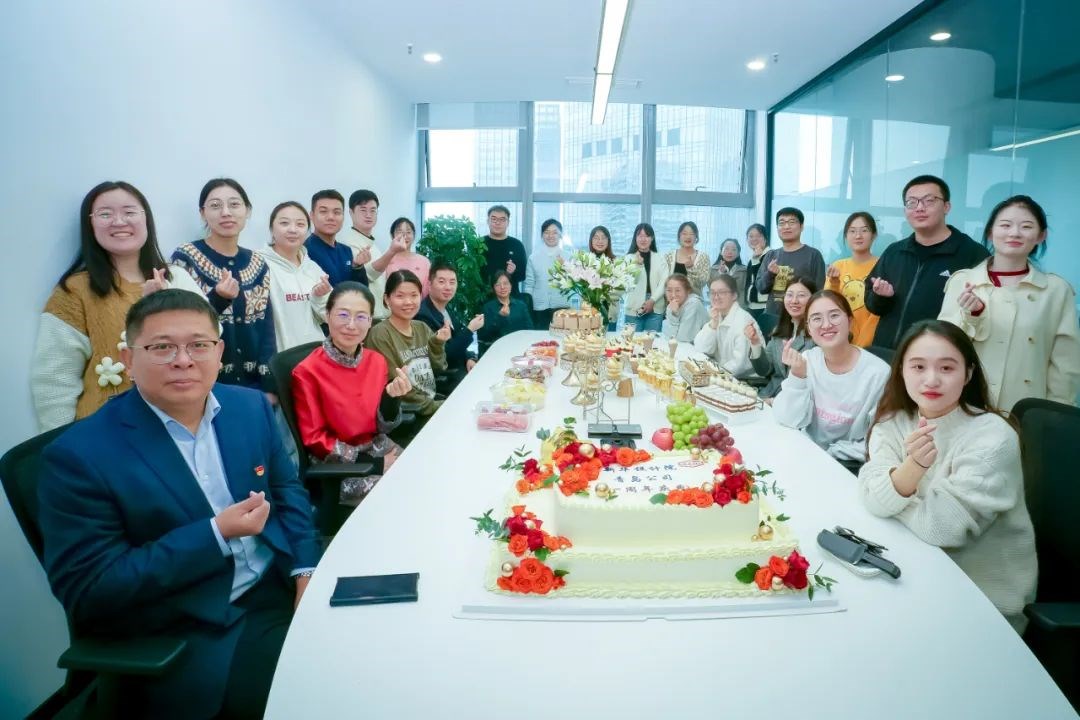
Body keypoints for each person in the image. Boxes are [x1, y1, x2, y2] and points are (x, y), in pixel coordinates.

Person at [38, 289, 320, 719]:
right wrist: (215, 534)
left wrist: (305, 569)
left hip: (277, 583)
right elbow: (91, 589)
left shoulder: (248, 407)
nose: (183, 360)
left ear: (219, 352)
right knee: (316, 695)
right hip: (190, 623)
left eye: (198, 345)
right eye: (161, 347)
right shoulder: (78, 455)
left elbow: (287, 491)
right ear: (129, 359)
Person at [858, 319, 1036, 632]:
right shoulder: (893, 423)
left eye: (947, 368)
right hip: (913, 573)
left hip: (980, 602)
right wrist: (914, 467)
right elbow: (872, 499)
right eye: (918, 366)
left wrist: (893, 492)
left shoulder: (993, 438)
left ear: (968, 374)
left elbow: (940, 528)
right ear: (901, 371)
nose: (931, 379)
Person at [32, 180, 205, 431]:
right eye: (105, 214)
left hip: (180, 423)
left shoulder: (177, 277)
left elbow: (208, 341)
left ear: (146, 219)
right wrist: (62, 443)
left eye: (129, 212)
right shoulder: (74, 291)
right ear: (90, 225)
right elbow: (54, 381)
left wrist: (164, 305)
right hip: (105, 432)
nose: (119, 221)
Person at [939, 195, 1080, 411]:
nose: (1014, 233)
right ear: (990, 232)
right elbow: (943, 347)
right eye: (1005, 225)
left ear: (1041, 235)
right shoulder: (963, 281)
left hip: (1028, 407)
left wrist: (1056, 412)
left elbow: (1065, 362)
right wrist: (973, 315)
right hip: (967, 402)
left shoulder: (1056, 290)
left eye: (1026, 226)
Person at [291, 282, 412, 504]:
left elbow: (382, 427)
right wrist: (375, 464)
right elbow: (315, 439)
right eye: (343, 315)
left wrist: (391, 398)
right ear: (327, 315)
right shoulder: (307, 371)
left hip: (378, 446)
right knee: (401, 495)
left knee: (422, 473)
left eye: (361, 317)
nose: (351, 325)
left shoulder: (376, 361)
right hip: (338, 465)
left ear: (371, 321)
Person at [171, 178, 277, 398]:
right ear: (203, 213)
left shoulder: (258, 263)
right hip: (202, 384)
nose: (226, 212)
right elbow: (178, 322)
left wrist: (269, 385)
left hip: (253, 386)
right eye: (215, 206)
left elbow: (266, 327)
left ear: (247, 211)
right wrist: (218, 298)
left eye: (234, 204)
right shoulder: (186, 258)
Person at [864, 175, 989, 349]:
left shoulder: (972, 254)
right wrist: (881, 297)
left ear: (946, 207)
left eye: (929, 201)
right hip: (887, 353)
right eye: (912, 202)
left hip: (939, 356)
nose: (919, 208)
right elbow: (872, 305)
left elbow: (985, 315)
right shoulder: (895, 252)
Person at [773, 290, 890, 464]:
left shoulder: (878, 373)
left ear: (849, 321)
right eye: (816, 318)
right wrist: (798, 377)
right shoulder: (808, 360)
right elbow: (787, 419)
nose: (826, 325)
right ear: (809, 329)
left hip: (846, 464)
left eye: (834, 315)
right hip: (804, 453)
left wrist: (832, 453)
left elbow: (881, 439)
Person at [365, 270, 448, 426]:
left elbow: (439, 368)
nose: (408, 302)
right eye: (400, 296)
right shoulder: (380, 334)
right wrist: (438, 407)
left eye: (414, 295)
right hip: (410, 416)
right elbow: (397, 386)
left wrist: (437, 344)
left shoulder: (421, 327)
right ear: (387, 299)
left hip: (431, 404)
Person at [255, 202, 330, 352]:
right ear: (272, 229)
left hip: (315, 354)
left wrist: (320, 297)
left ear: (307, 231)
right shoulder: (257, 264)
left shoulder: (312, 268)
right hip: (278, 357)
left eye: (300, 224)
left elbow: (329, 317)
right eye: (284, 223)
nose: (293, 229)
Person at [417, 262, 484, 392]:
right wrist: (470, 329)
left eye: (452, 282)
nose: (448, 287)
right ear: (429, 285)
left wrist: (469, 358)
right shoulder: (423, 315)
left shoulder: (447, 310)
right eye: (442, 282)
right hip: (442, 379)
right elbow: (445, 357)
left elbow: (458, 341)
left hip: (458, 370)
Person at [746, 277, 817, 399]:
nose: (794, 301)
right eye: (789, 295)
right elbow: (764, 370)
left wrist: (774, 402)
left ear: (813, 300)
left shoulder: (817, 336)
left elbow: (811, 386)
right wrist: (755, 343)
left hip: (795, 401)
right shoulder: (779, 330)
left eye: (801, 295)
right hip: (767, 395)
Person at [755, 207, 826, 320]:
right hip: (773, 317)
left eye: (792, 222)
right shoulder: (771, 255)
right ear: (777, 228)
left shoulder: (813, 255)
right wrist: (770, 274)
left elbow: (819, 291)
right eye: (781, 223)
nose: (786, 226)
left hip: (801, 318)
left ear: (801, 226)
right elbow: (761, 288)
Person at [826, 212, 880, 348]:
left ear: (874, 235)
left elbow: (878, 312)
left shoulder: (882, 265)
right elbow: (827, 304)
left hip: (870, 343)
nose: (858, 236)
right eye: (852, 231)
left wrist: (862, 344)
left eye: (864, 230)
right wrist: (834, 283)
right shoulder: (838, 266)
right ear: (846, 236)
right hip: (839, 340)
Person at [693, 275, 760, 377]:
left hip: (743, 379)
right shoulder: (718, 315)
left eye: (722, 292)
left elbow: (739, 365)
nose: (716, 297)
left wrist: (713, 374)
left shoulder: (743, 322)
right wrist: (713, 325)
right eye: (712, 293)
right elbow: (701, 348)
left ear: (734, 295)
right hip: (721, 371)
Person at [303, 189, 367, 287]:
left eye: (337, 212)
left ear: (343, 216)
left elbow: (360, 289)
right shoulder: (304, 251)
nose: (331, 217)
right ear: (311, 215)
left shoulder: (346, 251)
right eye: (323, 211)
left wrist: (357, 267)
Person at [340, 189, 386, 319]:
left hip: (380, 314)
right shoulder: (346, 244)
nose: (368, 215)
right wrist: (392, 252)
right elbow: (367, 275)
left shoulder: (374, 246)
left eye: (373, 210)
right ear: (351, 213)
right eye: (363, 210)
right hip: (364, 316)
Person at [524, 218, 570, 328]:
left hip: (562, 306)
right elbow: (529, 285)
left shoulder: (568, 256)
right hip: (539, 308)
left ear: (560, 235)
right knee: (540, 337)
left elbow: (574, 282)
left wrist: (566, 267)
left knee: (562, 336)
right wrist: (528, 307)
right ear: (542, 235)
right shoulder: (533, 258)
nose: (551, 236)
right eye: (547, 232)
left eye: (555, 232)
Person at [477, 270, 534, 356]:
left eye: (506, 283)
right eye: (498, 285)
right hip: (497, 351)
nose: (502, 287)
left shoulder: (521, 305)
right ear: (493, 288)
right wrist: (499, 317)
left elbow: (530, 330)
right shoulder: (487, 308)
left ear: (511, 286)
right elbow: (484, 335)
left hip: (520, 348)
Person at [623, 222, 667, 333]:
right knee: (631, 341)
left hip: (656, 306)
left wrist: (652, 300)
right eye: (640, 236)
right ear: (635, 238)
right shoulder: (627, 258)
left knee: (653, 341)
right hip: (633, 308)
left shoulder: (660, 258)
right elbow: (627, 284)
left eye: (647, 236)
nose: (643, 239)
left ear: (652, 238)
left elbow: (664, 282)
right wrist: (638, 265)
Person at [377, 217, 431, 296]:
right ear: (392, 236)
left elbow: (428, 290)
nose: (404, 236)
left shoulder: (424, 261)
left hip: (418, 303)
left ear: (414, 236)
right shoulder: (386, 260)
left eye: (408, 232)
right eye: (400, 232)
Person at [481, 204, 527, 295]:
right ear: (488, 221)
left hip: (511, 298)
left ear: (508, 222)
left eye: (502, 219)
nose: (497, 223)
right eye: (494, 219)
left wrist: (514, 271)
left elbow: (523, 275)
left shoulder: (517, 245)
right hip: (484, 297)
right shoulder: (479, 244)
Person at [662, 221, 711, 295]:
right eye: (684, 233)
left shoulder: (703, 257)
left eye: (692, 234)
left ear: (696, 237)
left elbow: (702, 283)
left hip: (694, 300)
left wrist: (691, 268)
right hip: (672, 299)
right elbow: (663, 281)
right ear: (679, 236)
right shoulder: (669, 256)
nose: (688, 237)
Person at [743, 223, 774, 336]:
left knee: (762, 339)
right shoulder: (753, 258)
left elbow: (761, 281)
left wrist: (756, 259)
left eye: (758, 236)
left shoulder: (771, 255)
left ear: (765, 238)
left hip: (765, 306)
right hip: (752, 306)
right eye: (751, 236)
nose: (754, 239)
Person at [588, 225, 619, 329]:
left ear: (608, 241)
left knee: (610, 339)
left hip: (610, 312)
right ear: (591, 241)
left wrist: (600, 295)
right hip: (590, 312)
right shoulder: (585, 261)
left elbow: (619, 289)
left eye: (603, 238)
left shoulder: (616, 262)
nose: (600, 241)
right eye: (596, 238)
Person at [662, 273, 708, 342]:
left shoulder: (694, 304)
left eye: (677, 290)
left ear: (687, 291)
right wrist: (673, 313)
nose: (673, 295)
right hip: (682, 346)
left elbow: (683, 339)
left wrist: (675, 314)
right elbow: (669, 336)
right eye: (669, 290)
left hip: (700, 346)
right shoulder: (671, 306)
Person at [710, 238, 747, 307]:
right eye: (726, 249)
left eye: (733, 249)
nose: (730, 252)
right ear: (721, 252)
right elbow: (713, 289)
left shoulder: (744, 270)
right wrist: (721, 273)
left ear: (738, 253)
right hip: (718, 307)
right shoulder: (713, 270)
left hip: (739, 308)